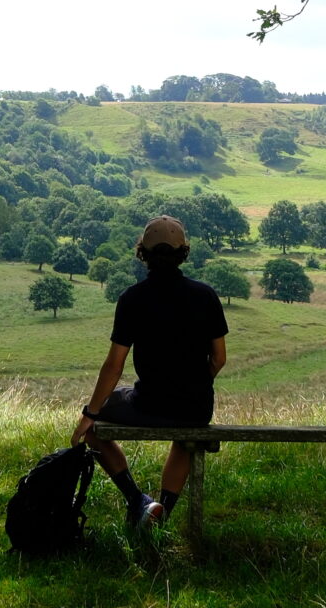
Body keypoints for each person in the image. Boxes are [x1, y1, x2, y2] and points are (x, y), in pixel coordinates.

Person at [73, 214, 228, 537]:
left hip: (148, 403)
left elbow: (114, 365)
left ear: (142, 253)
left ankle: (137, 501)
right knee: (184, 440)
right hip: (196, 407)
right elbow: (219, 358)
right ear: (183, 252)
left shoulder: (132, 299)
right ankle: (162, 513)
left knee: (95, 428)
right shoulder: (206, 296)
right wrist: (195, 383)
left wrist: (90, 412)